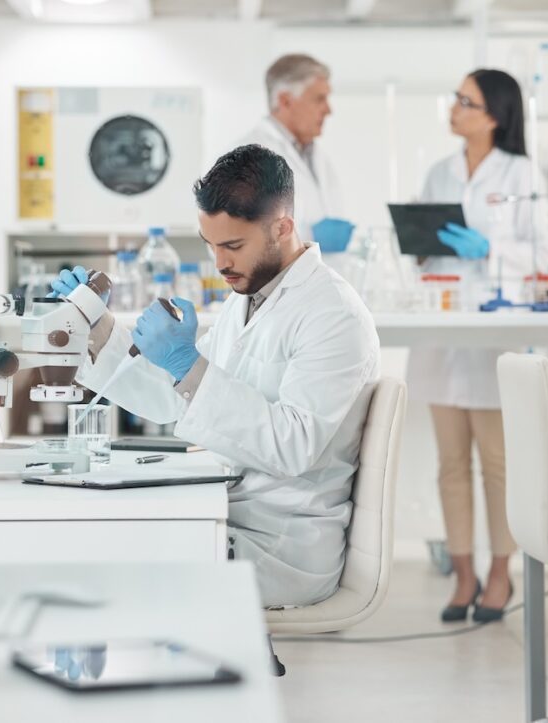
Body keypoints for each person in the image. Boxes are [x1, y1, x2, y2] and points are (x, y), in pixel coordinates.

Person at [52, 145, 380, 607]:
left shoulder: (334, 315)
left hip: (282, 544)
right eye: (211, 246)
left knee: (115, 562)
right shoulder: (248, 296)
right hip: (232, 512)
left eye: (233, 246)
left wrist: (189, 366)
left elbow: (293, 445)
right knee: (93, 533)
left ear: (282, 227)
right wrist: (99, 324)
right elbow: (175, 397)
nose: (220, 263)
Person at [406, 69, 548, 623]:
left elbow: (539, 257)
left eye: (467, 101)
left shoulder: (520, 172)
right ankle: (462, 573)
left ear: (495, 114)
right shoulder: (438, 172)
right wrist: (416, 242)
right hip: (443, 331)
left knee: (497, 463)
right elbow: (426, 255)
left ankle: (499, 573)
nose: (455, 108)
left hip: (495, 334)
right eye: (456, 98)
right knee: (449, 465)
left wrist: (489, 250)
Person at [239, 53, 353, 249]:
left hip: (324, 276)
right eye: (319, 99)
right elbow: (230, 238)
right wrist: (306, 237)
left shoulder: (318, 158)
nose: (328, 110)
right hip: (279, 280)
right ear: (285, 101)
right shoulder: (246, 158)